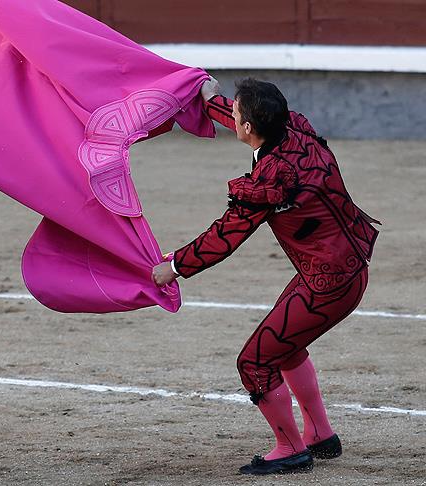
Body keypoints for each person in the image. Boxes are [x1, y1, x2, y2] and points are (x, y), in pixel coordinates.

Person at [152, 77, 379, 475]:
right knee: (284, 349)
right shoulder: (294, 128)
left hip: (328, 283)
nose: (232, 116)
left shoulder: (272, 178)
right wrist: (209, 96)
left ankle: (290, 448)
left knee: (255, 362)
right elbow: (242, 117)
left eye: (235, 113)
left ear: (246, 129)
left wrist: (173, 267)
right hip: (343, 267)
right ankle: (320, 435)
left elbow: (225, 236)